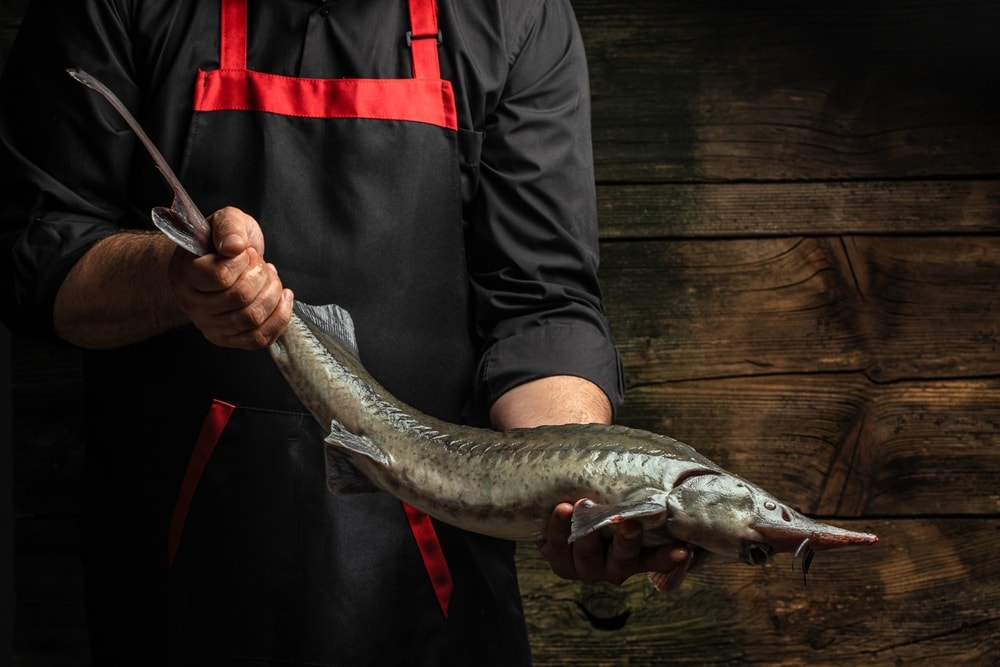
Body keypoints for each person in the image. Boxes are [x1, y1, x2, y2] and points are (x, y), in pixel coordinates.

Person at [0, 0, 690, 664]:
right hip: (181, 576)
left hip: (434, 593)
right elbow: (34, 258)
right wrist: (171, 278)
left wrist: (570, 486)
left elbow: (542, 304)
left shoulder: (514, 13)